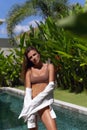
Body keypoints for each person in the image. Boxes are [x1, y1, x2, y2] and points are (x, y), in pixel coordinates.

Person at [19, 46, 58, 130]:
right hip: (31, 104)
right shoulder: (29, 71)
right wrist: (28, 106)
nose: (33, 58)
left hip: (42, 103)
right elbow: (28, 92)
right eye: (30, 57)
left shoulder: (49, 66)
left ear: (38, 54)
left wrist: (35, 101)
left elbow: (51, 85)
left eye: (34, 54)